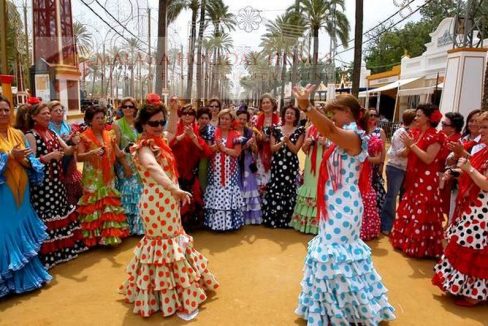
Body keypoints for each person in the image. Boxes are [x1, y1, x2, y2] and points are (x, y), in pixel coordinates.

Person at [292, 87, 395, 325]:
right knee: (333, 255)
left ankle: (345, 309)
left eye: (334, 112)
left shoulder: (355, 136)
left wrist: (307, 106)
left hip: (344, 205)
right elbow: (326, 130)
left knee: (336, 256)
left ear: (347, 112)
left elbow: (327, 129)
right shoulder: (346, 133)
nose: (331, 117)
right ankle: (333, 308)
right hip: (335, 202)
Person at [119, 103, 218, 319]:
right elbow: (153, 168)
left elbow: (172, 131)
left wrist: (172, 111)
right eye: (153, 123)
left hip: (169, 201)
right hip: (156, 203)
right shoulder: (144, 147)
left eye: (161, 122)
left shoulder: (161, 140)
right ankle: (171, 299)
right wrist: (175, 188)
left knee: (174, 242)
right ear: (142, 124)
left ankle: (179, 294)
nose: (159, 126)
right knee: (165, 247)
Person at [432, 111, 488, 307]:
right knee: (465, 245)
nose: (481, 131)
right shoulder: (483, 149)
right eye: (481, 127)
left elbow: (486, 184)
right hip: (475, 206)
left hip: (483, 210)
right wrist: (460, 164)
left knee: (473, 249)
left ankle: (474, 294)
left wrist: (468, 169)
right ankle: (466, 289)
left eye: (485, 128)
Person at [22, 103, 86, 268]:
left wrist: (73, 142)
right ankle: (49, 255)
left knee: (60, 210)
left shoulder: (51, 133)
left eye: (47, 113)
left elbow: (68, 151)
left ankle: (62, 251)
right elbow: (30, 162)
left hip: (58, 181)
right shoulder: (31, 135)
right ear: (33, 117)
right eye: (43, 114)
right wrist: (47, 157)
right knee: (47, 214)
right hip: (43, 184)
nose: (47, 116)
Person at [0, 95, 52, 297]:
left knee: (22, 230)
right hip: (4, 195)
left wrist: (26, 161)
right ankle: (8, 280)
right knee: (6, 233)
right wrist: (10, 156)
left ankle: (28, 277)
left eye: (6, 109)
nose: (4, 114)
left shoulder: (17, 134)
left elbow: (31, 160)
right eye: (0, 110)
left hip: (23, 193)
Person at [390, 104, 446, 258]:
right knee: (411, 208)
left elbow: (428, 159)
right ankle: (406, 243)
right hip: (413, 178)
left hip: (426, 180)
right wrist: (406, 148)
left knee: (422, 212)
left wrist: (411, 145)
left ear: (428, 118)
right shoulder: (414, 133)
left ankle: (423, 248)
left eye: (419, 115)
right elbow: (405, 153)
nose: (415, 118)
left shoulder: (436, 136)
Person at [76, 105, 129, 247]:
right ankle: (95, 238)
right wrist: (91, 153)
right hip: (93, 176)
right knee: (93, 205)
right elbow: (79, 157)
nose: (101, 120)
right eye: (97, 118)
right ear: (90, 121)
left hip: (108, 175)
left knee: (108, 204)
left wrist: (131, 149)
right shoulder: (84, 136)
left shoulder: (109, 134)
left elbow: (117, 153)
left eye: (102, 117)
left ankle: (109, 237)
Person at [262, 105, 305, 228]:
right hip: (277, 164)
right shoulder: (275, 129)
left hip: (291, 164)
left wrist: (288, 142)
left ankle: (288, 220)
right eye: (287, 113)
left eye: (292, 114)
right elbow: (272, 148)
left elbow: (296, 150)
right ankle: (273, 218)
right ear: (284, 115)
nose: (289, 115)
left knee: (289, 187)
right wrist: (282, 142)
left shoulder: (300, 130)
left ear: (296, 116)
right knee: (276, 187)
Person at [204, 109, 245, 231]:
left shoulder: (236, 135)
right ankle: (215, 223)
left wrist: (224, 149)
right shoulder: (212, 133)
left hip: (230, 171)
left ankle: (230, 224)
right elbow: (208, 150)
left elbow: (237, 153)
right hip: (215, 170)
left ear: (231, 121)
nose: (224, 121)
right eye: (222, 118)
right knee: (216, 192)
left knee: (228, 192)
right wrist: (214, 147)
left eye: (227, 119)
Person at [169, 104, 208, 231]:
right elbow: (167, 145)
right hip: (176, 171)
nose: (187, 116)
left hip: (191, 170)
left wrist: (193, 137)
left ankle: (191, 224)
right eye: (185, 113)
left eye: (190, 114)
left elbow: (205, 151)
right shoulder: (174, 128)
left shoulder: (196, 130)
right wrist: (180, 137)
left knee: (193, 195)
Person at [380, 109, 417, 235]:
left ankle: (400, 226)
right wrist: (412, 145)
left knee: (404, 198)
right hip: (396, 168)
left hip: (407, 169)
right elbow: (403, 153)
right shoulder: (402, 132)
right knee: (392, 197)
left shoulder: (413, 133)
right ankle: (386, 225)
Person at [290, 121, 328, 234]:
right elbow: (304, 150)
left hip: (324, 162)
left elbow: (335, 148)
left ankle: (320, 225)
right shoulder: (310, 128)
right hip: (310, 163)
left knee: (321, 189)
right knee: (309, 188)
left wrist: (325, 143)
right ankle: (306, 224)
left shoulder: (330, 128)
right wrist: (306, 143)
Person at [113, 97, 144, 235]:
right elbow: (115, 148)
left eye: (130, 106)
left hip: (141, 165)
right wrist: (125, 166)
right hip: (125, 164)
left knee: (141, 195)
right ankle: (128, 228)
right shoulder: (117, 124)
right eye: (125, 107)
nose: (127, 109)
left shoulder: (141, 124)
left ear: (135, 109)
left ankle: (141, 227)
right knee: (129, 194)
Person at [48, 100, 83, 206]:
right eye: (56, 111)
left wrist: (72, 140)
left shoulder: (67, 126)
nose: (59, 112)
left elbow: (74, 145)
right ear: (49, 114)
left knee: (73, 190)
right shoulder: (48, 127)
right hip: (56, 163)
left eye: (61, 110)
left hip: (70, 162)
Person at [235, 107, 262, 225]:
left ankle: (249, 216)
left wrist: (252, 144)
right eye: (240, 118)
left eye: (244, 119)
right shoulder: (232, 131)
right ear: (236, 118)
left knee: (249, 186)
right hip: (235, 162)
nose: (241, 121)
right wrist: (245, 145)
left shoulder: (250, 132)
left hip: (247, 162)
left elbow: (256, 151)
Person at [254, 94, 280, 196]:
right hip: (260, 156)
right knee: (261, 179)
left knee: (273, 179)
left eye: (268, 102)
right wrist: (259, 138)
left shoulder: (280, 120)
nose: (265, 105)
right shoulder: (256, 119)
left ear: (273, 104)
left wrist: (272, 139)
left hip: (275, 155)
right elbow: (253, 137)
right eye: (263, 103)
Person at [367, 108, 386, 215]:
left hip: (374, 165)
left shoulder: (380, 131)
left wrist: (381, 165)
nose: (372, 117)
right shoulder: (363, 130)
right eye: (370, 115)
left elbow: (383, 150)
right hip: (362, 165)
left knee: (374, 188)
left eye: (375, 115)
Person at [197, 107, 215, 192]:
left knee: (203, 180)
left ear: (209, 120)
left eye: (206, 118)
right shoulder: (194, 128)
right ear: (198, 119)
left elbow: (209, 148)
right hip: (194, 158)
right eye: (202, 118)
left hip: (205, 158)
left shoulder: (210, 130)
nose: (204, 120)